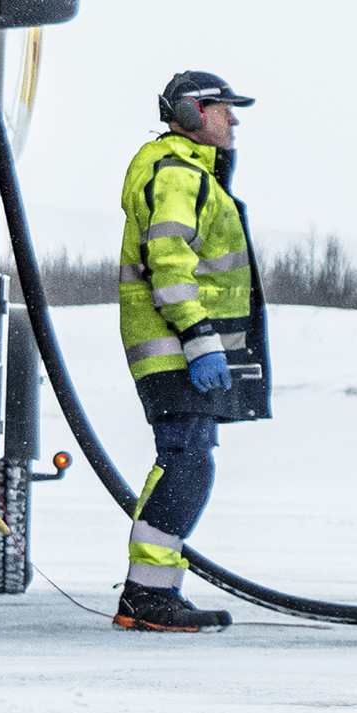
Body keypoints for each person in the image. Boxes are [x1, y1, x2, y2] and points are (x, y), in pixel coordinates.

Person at [113, 68, 260, 634]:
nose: (234, 119)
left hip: (179, 346)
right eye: (224, 108)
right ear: (195, 112)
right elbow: (168, 261)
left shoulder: (190, 172)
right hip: (176, 346)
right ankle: (147, 595)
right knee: (186, 462)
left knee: (188, 460)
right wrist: (199, 338)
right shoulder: (177, 175)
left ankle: (151, 593)